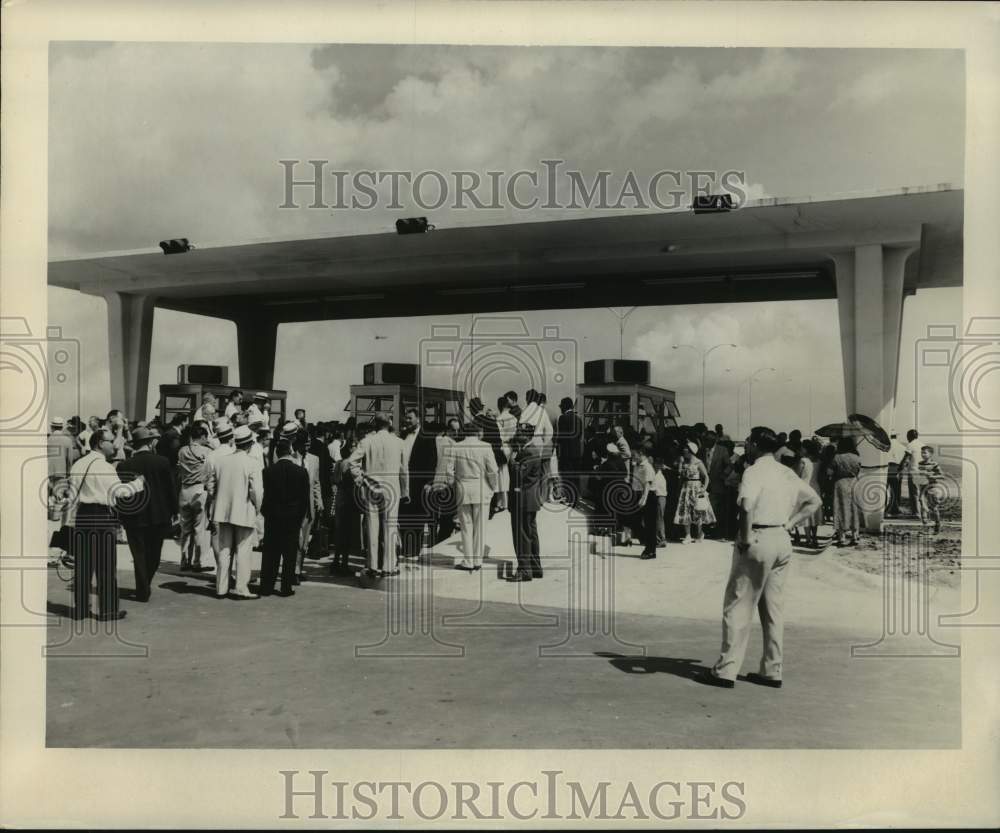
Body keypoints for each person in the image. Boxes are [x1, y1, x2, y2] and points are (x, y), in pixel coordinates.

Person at [704, 426, 822, 689]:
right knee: (773, 609)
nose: (746, 445)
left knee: (738, 604)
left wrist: (745, 538)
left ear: (756, 444)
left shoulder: (754, 471)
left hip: (757, 537)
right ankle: (772, 669)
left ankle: (725, 670)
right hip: (781, 538)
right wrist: (790, 524)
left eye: (748, 442)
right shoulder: (785, 473)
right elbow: (814, 501)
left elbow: (746, 505)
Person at [65, 429, 144, 621]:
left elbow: (71, 494)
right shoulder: (106, 467)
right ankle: (108, 610)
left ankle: (81, 609)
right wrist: (138, 483)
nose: (115, 445)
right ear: (100, 443)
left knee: (83, 566)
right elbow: (120, 492)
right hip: (102, 516)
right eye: (110, 441)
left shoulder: (78, 464)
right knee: (105, 566)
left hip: (82, 516)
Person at [116, 426, 177, 603]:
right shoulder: (162, 462)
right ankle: (145, 584)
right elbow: (170, 489)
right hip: (159, 515)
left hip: (134, 516)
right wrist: (174, 510)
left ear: (135, 445)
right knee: (154, 553)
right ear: (150, 443)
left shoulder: (124, 465)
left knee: (139, 553)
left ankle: (142, 587)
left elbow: (121, 493)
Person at [347, 416, 408, 578]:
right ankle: (389, 566)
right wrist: (405, 491)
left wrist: (360, 479)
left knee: (372, 526)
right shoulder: (399, 442)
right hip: (392, 487)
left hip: (371, 486)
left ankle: (372, 565)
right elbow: (404, 470)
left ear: (376, 424)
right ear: (389, 424)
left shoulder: (367, 441)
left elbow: (352, 462)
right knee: (390, 526)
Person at [205, 425, 262, 599]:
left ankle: (221, 588)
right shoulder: (253, 463)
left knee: (224, 550)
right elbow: (257, 491)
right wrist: (257, 508)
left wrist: (217, 502)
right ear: (250, 444)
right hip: (244, 511)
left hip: (222, 511)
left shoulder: (221, 461)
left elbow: (210, 486)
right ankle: (241, 588)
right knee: (243, 550)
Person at [445, 421, 499, 571]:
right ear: (478, 432)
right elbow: (493, 470)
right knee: (480, 526)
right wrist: (492, 487)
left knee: (466, 526)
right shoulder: (485, 446)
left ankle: (468, 561)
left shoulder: (456, 447)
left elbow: (449, 471)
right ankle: (477, 560)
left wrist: (452, 484)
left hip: (463, 488)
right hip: (481, 488)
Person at [260, 438, 310, 596]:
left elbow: (265, 497)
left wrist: (266, 513)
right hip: (293, 517)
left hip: (273, 516)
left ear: (276, 452)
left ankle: (267, 586)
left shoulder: (268, 472)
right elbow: (304, 500)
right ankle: (286, 587)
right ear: (290, 452)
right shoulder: (301, 472)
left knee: (270, 554)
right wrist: (300, 517)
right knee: (290, 553)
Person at [507, 423, 545, 581]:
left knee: (521, 534)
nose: (517, 434)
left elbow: (518, 474)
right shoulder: (531, 449)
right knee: (530, 533)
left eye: (519, 432)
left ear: (527, 435)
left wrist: (512, 457)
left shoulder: (528, 451)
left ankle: (524, 570)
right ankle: (535, 567)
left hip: (523, 499)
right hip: (529, 498)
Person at [399, 408, 438, 559]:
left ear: (418, 419)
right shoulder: (402, 435)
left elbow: (432, 460)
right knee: (403, 516)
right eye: (406, 418)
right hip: (404, 482)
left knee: (417, 516)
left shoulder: (428, 436)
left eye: (410, 418)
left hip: (419, 482)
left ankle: (415, 551)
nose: (407, 421)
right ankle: (404, 549)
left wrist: (429, 481)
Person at [176, 421, 212, 572]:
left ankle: (184, 560)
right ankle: (198, 561)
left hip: (184, 490)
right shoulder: (207, 451)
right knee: (199, 528)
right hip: (199, 489)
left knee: (185, 529)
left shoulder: (182, 450)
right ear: (202, 436)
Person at [292, 428, 323, 582]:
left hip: (308, 507)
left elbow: (316, 483)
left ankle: (298, 569)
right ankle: (293, 570)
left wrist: (319, 501)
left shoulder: (314, 459)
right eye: (305, 444)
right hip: (293, 506)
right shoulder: (290, 459)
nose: (308, 447)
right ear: (297, 444)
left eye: (309, 444)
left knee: (304, 541)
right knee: (295, 540)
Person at [331, 436, 363, 573]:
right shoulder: (350, 464)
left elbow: (334, 480)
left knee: (339, 532)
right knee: (347, 533)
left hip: (340, 499)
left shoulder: (339, 463)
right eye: (355, 446)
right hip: (349, 499)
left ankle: (336, 562)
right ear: (351, 447)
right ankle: (343, 564)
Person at [674, 442, 714, 543]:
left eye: (686, 449)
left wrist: (704, 488)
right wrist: (678, 489)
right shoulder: (683, 462)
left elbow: (706, 477)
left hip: (696, 488)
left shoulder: (698, 462)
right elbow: (681, 478)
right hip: (686, 488)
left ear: (691, 451)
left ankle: (700, 533)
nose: (684, 450)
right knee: (685, 510)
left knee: (698, 510)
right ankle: (688, 535)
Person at [431, 417, 463, 545]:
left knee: (433, 515)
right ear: (448, 429)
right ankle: (441, 541)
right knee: (446, 516)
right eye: (453, 430)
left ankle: (435, 540)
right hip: (446, 484)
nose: (456, 433)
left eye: (457, 431)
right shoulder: (455, 446)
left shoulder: (436, 440)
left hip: (434, 483)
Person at [829, 437, 862, 546]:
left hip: (840, 483)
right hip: (853, 483)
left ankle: (841, 537)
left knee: (840, 509)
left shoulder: (836, 457)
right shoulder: (856, 457)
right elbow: (858, 471)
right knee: (853, 509)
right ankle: (855, 536)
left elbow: (829, 472)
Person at [632, 445, 659, 560]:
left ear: (641, 453)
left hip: (648, 496)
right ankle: (648, 540)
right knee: (634, 521)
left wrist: (644, 498)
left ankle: (651, 551)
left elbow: (647, 484)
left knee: (650, 524)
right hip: (638, 494)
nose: (633, 457)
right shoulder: (636, 466)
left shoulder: (647, 467)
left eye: (635, 455)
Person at [555, 396, 583, 507]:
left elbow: (560, 437)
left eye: (561, 407)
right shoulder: (579, 419)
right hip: (576, 453)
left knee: (567, 476)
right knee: (575, 476)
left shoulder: (562, 418)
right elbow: (579, 435)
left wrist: (557, 451)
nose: (561, 409)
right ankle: (575, 498)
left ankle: (569, 498)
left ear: (564, 407)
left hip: (566, 453)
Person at [704, 431, 731, 539]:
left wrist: (723, 476)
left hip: (718, 484)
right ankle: (706, 530)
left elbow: (729, 466)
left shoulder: (722, 450)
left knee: (717, 509)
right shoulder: (702, 450)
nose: (706, 443)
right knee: (704, 507)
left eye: (708, 441)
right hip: (705, 484)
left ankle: (717, 532)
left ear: (714, 441)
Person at [798, 439, 824, 549]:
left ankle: (808, 539)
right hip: (815, 487)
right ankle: (814, 537)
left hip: (805, 486)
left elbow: (798, 475)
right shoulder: (818, 460)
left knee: (806, 513)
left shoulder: (803, 460)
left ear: (806, 449)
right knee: (814, 513)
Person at [495, 397, 518, 512]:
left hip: (502, 446)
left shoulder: (499, 418)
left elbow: (499, 435)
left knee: (502, 473)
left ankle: (502, 501)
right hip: (511, 446)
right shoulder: (513, 418)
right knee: (509, 472)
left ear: (500, 406)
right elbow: (515, 434)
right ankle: (508, 500)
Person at [916, 445, 944, 534]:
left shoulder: (934, 464)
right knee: (922, 505)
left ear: (931, 454)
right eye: (921, 452)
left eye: (925, 452)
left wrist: (932, 476)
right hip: (922, 487)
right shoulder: (919, 464)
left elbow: (942, 476)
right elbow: (917, 475)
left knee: (933, 507)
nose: (923, 454)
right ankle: (926, 527)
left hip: (932, 487)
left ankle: (937, 524)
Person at [900, 428, 923, 516]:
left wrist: (900, 467)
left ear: (909, 436)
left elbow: (906, 458)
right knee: (920, 492)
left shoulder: (910, 445)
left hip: (913, 471)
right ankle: (922, 512)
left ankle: (916, 513)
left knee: (914, 493)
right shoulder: (922, 444)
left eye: (907, 436)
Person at [653, 458, 669, 547]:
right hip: (661, 497)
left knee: (658, 519)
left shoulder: (658, 476)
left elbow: (654, 488)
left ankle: (661, 539)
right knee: (659, 518)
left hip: (659, 497)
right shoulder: (660, 475)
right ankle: (660, 539)